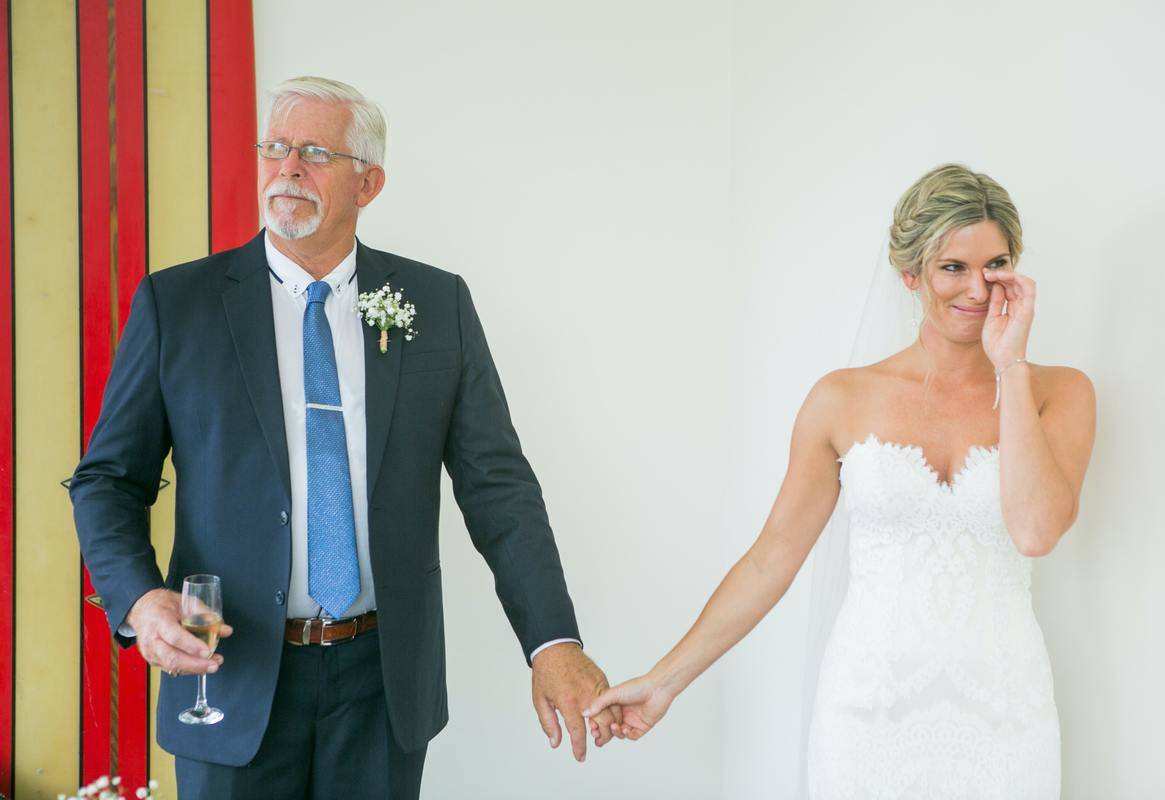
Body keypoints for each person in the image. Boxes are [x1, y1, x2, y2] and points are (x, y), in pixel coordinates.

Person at [70, 75, 620, 799]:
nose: (287, 167)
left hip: (381, 684)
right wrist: (140, 602)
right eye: (275, 147)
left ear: (368, 184)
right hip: (226, 674)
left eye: (314, 152)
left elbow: (498, 485)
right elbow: (109, 479)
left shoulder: (436, 303)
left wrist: (553, 642)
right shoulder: (181, 304)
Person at [584, 164, 1095, 798]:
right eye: (952, 267)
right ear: (910, 275)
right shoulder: (841, 399)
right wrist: (663, 682)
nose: (977, 289)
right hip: (868, 714)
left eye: (994, 264)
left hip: (1007, 712)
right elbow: (772, 557)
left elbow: (1036, 530)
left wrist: (1011, 365)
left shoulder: (1060, 391)